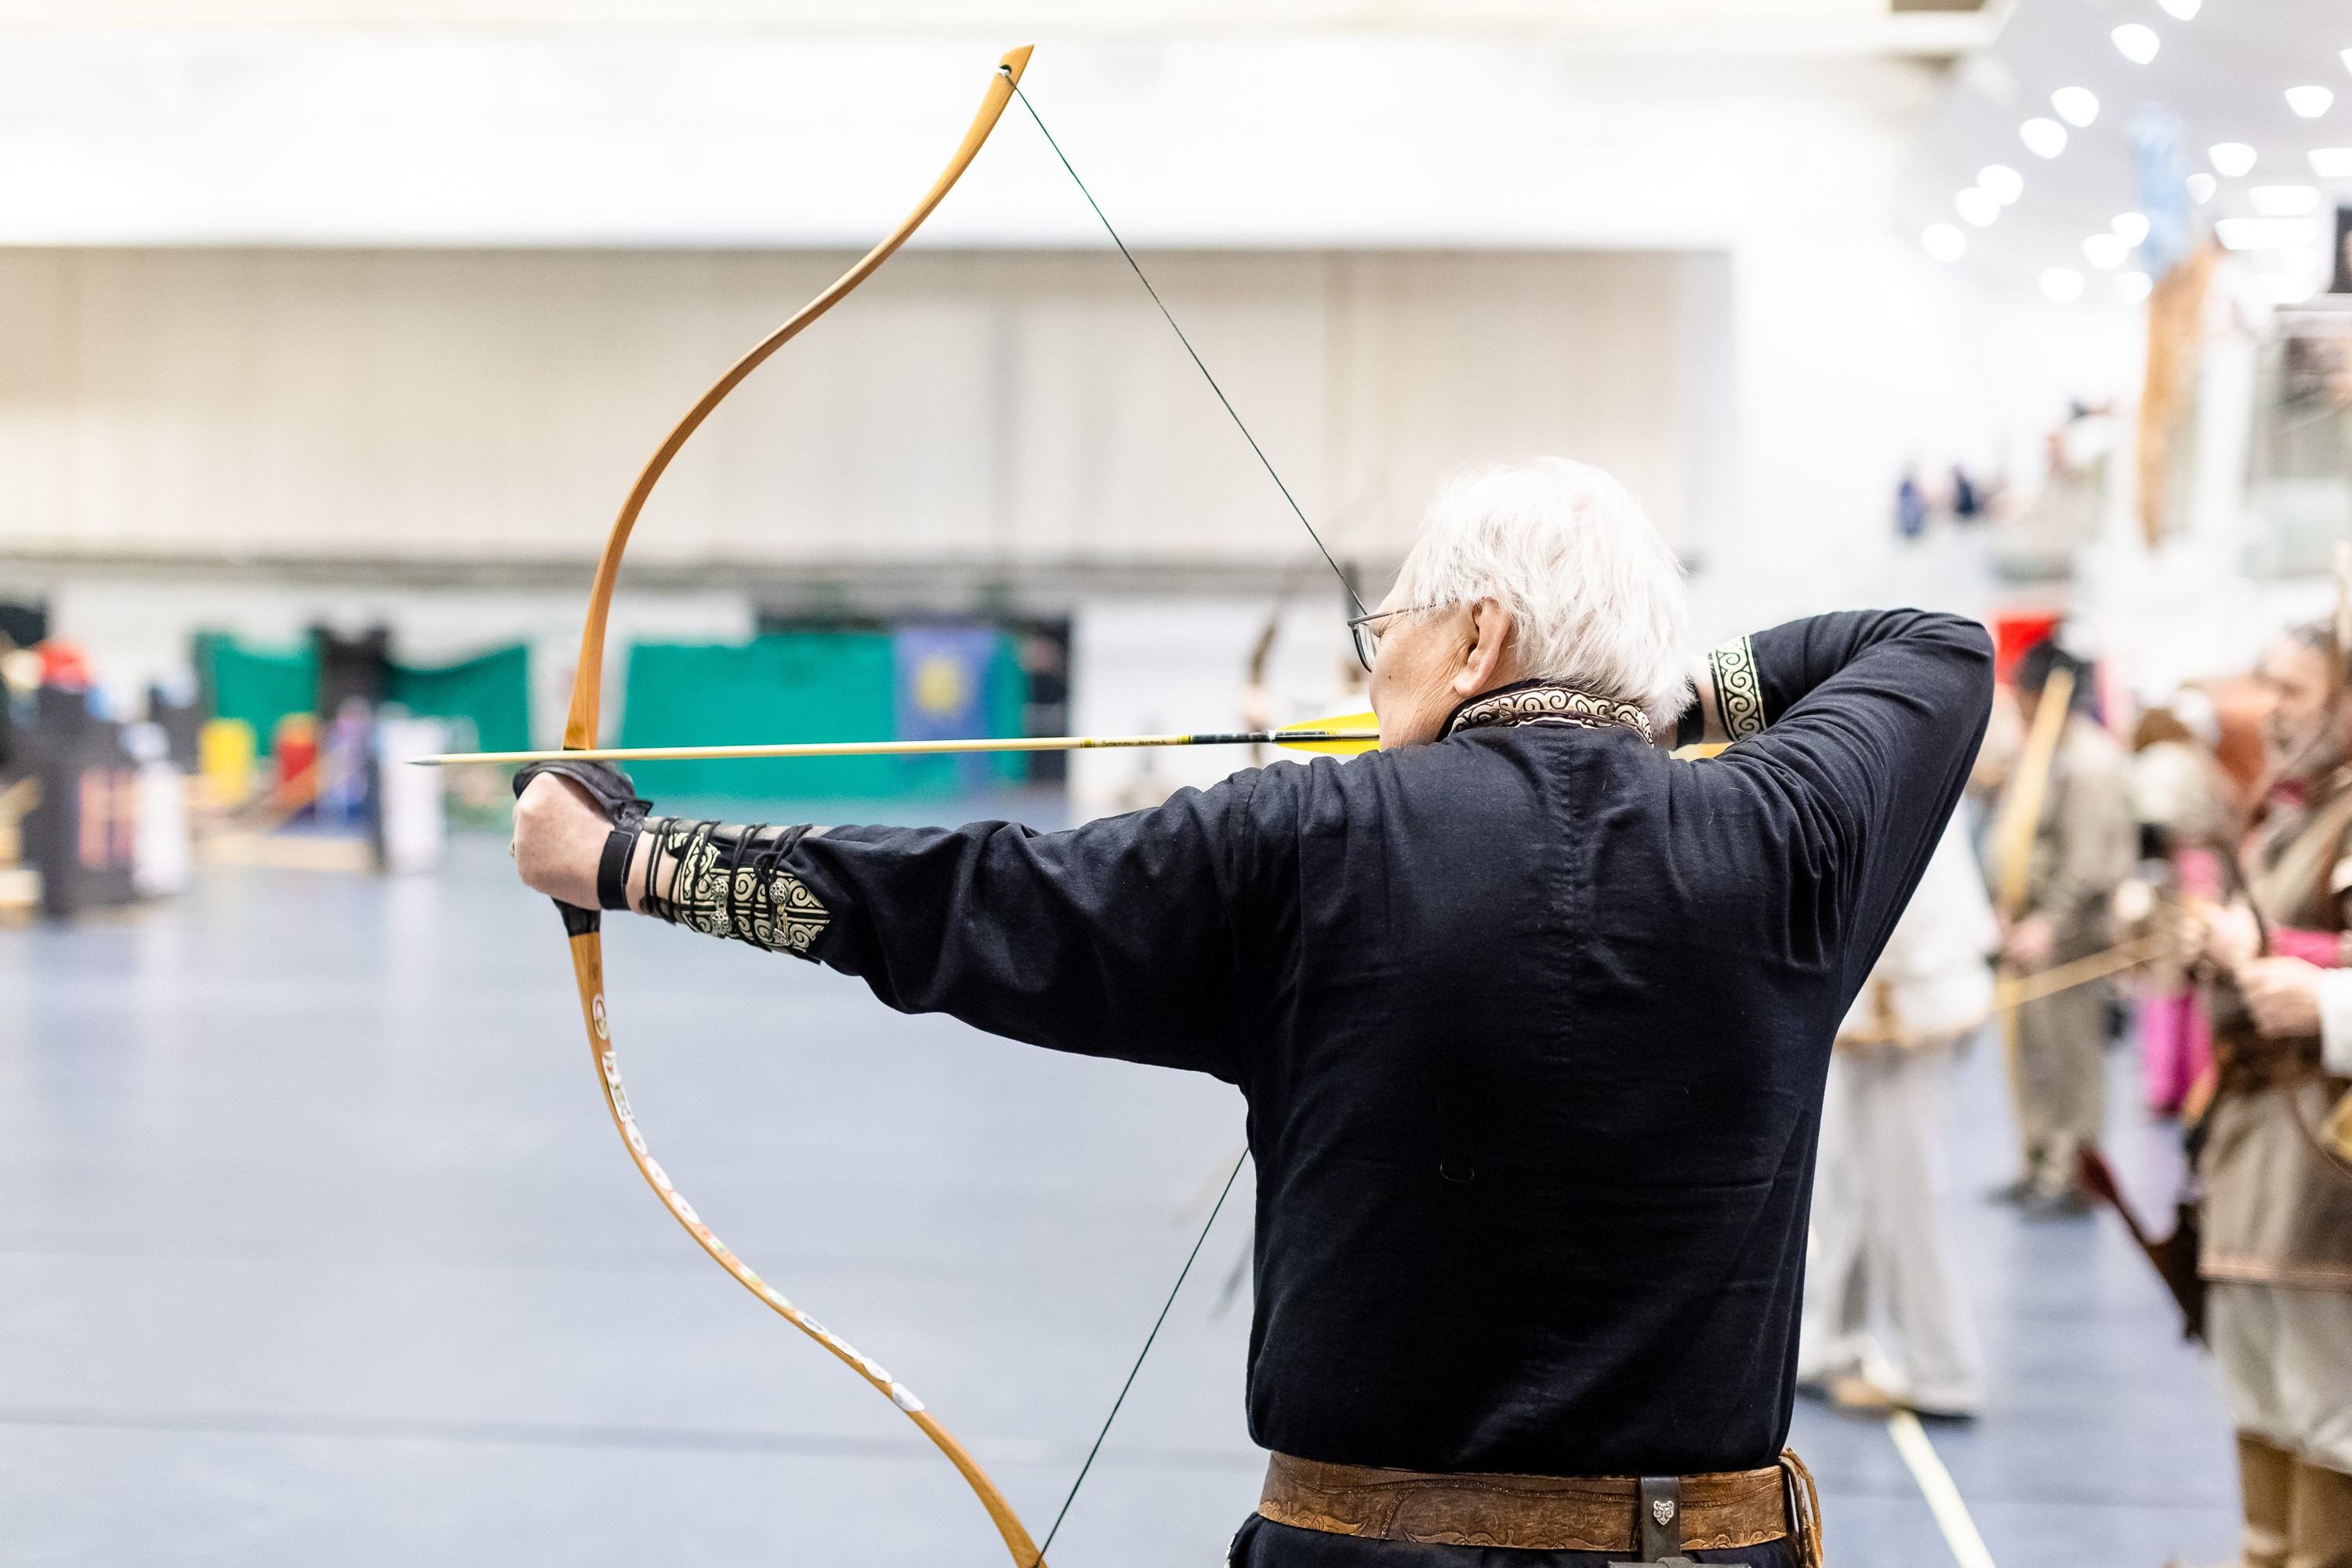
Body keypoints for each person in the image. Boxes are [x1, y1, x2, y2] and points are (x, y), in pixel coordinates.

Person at [512, 457, 1993, 1568]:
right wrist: (1677, 701)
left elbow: (971, 902)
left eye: (1388, 625)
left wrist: (629, 859)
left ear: (1478, 638)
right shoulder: (1788, 841)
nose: (1374, 657)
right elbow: (1937, 647)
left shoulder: (1309, 842)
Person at [2188, 625, 2352, 1567]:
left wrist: (2306, 980)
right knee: (2260, 1385)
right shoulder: (2298, 814)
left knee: (2330, 1399)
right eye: (2272, 687)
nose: (2275, 709)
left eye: (2297, 690)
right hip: (2256, 1135)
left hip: (2321, 1149)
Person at [1796, 810, 1992, 1420]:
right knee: (1842, 1186)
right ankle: (1827, 1344)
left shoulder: (1900, 776)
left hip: (1908, 1006)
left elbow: (1908, 905)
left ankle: (1943, 1372)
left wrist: (1883, 992)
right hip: (1865, 1002)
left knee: (1906, 1197)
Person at [1987, 639, 2135, 1215]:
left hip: (2071, 938)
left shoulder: (2090, 761)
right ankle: (2039, 1161)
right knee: (2033, 1056)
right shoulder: (2047, 753)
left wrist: (2049, 923)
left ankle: (2073, 1173)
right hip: (2031, 930)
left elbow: (2088, 861)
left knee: (2070, 1056)